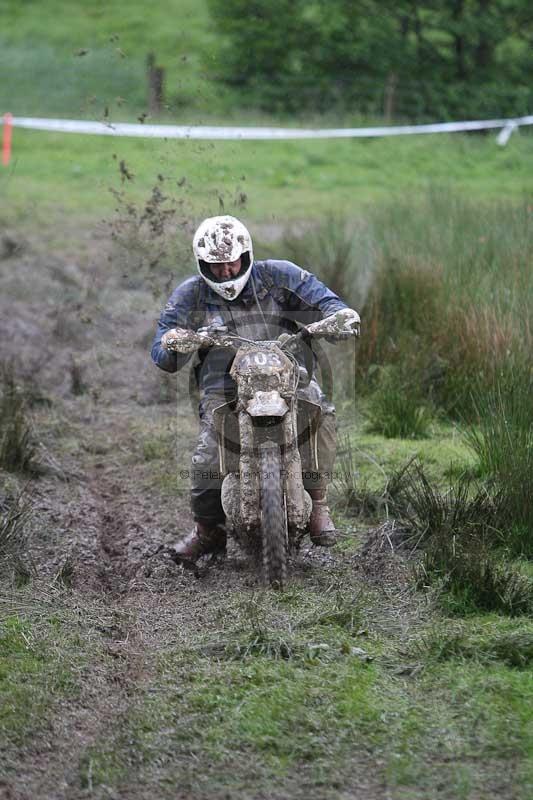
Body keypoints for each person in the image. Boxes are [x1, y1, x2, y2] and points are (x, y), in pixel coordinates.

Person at [151, 215, 360, 563]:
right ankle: (208, 531)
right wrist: (176, 342)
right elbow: (162, 350)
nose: (225, 271)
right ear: (202, 263)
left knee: (319, 412)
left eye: (232, 261)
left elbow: (327, 301)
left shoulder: (280, 276)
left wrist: (338, 318)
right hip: (223, 385)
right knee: (208, 451)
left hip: (289, 375)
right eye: (215, 265)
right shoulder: (190, 295)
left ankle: (318, 503)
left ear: (246, 254)